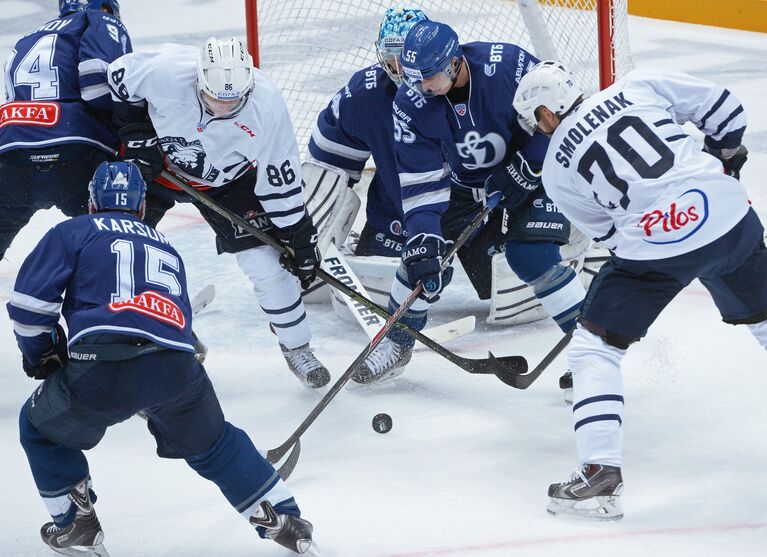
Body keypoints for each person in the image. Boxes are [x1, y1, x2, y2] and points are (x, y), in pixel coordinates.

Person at [7, 161, 314, 555]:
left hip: (101, 365)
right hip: (176, 367)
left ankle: (76, 523)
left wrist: (43, 356)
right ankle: (284, 519)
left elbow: (30, 308)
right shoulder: (164, 244)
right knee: (216, 443)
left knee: (41, 429)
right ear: (140, 209)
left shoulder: (73, 231)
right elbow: (180, 325)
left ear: (89, 204)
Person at [511, 61, 762, 520]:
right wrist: (723, 161)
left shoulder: (555, 170)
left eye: (537, 123)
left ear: (547, 113)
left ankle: (599, 472)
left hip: (655, 245)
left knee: (594, 348)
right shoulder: (637, 85)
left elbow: (606, 232)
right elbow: (727, 110)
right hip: (727, 214)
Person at [352, 20, 586, 384]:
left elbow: (559, 112)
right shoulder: (410, 102)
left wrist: (530, 163)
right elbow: (419, 179)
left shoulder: (506, 65)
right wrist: (424, 235)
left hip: (534, 173)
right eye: (412, 78)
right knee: (422, 262)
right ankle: (395, 343)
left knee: (532, 255)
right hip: (463, 187)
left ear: (454, 63)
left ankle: (591, 351)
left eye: (428, 78)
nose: (419, 88)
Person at [106, 37, 330, 388]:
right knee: (119, 250)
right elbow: (117, 78)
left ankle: (297, 347)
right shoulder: (165, 71)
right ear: (199, 80)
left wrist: (296, 231)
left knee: (266, 263)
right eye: (214, 98)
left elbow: (278, 176)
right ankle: (136, 338)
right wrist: (137, 134)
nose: (223, 108)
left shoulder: (267, 104)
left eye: (234, 101)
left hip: (227, 181)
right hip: (157, 169)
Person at [0, 0, 130, 261]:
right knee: (113, 234)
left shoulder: (27, 38)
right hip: (75, 156)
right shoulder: (100, 20)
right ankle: (120, 294)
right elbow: (98, 87)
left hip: (11, 158)